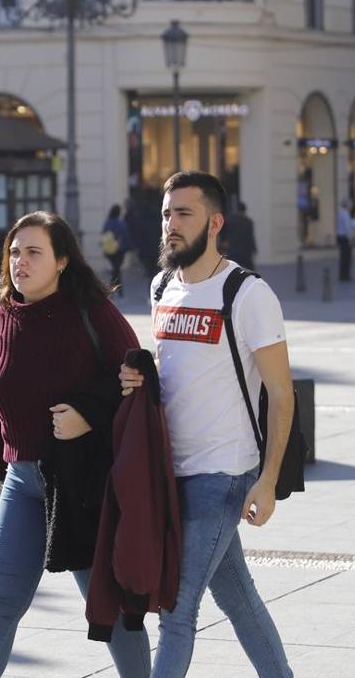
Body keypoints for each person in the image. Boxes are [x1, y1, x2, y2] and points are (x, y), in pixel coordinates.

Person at [119, 171, 293, 678]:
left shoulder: (247, 293)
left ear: (215, 222)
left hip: (224, 474)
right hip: (172, 475)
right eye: (166, 214)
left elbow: (282, 394)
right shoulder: (161, 287)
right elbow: (172, 375)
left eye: (183, 214)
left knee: (176, 609)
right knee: (239, 600)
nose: (170, 225)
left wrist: (268, 480)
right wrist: (135, 377)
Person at [0, 211, 149, 678]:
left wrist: (87, 414)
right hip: (20, 483)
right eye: (13, 252)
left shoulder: (93, 313)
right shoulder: (1, 320)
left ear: (62, 260)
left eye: (33, 252)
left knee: (108, 608)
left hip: (79, 484)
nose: (19, 262)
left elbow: (136, 378)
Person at [100, 203, 130, 294]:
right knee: (116, 270)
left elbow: (104, 235)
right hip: (120, 250)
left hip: (109, 250)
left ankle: (116, 290)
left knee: (116, 269)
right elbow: (125, 236)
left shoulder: (107, 222)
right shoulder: (120, 223)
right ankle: (115, 290)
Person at [220, 201, 258, 270]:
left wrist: (222, 246)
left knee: (231, 269)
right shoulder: (248, 221)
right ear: (244, 210)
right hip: (245, 250)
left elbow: (223, 235)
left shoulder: (229, 221)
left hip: (232, 249)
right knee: (250, 270)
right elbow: (251, 237)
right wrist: (254, 249)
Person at [336, 198, 355, 282]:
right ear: (347, 205)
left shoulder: (340, 212)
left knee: (343, 257)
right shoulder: (345, 214)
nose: (351, 206)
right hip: (345, 238)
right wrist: (351, 238)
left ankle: (342, 275)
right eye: (350, 204)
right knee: (346, 257)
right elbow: (347, 227)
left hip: (340, 237)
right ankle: (345, 276)